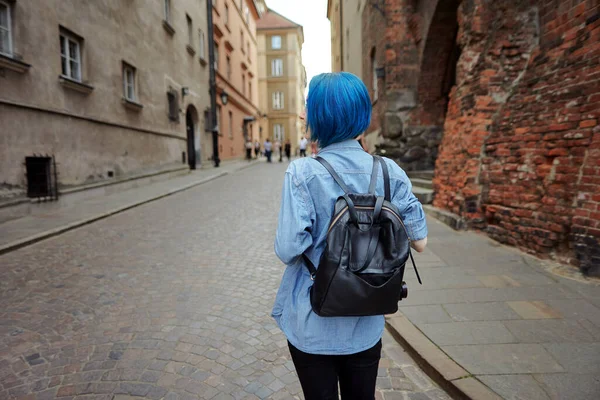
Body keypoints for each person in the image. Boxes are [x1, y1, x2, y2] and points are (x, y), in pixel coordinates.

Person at [273, 72, 428, 399]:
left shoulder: (302, 173)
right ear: (360, 116)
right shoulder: (389, 171)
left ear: (318, 117)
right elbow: (420, 243)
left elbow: (288, 248)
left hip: (313, 322)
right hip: (366, 321)